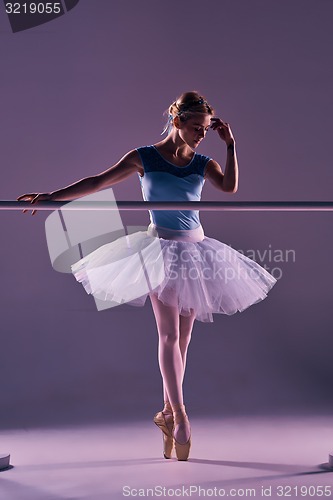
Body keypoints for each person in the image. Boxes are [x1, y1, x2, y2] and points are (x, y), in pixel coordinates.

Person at [17, 91, 277, 461]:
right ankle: (182, 418)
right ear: (177, 122)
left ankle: (170, 414)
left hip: (195, 251)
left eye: (206, 130)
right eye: (196, 128)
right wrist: (51, 196)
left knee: (182, 340)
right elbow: (97, 182)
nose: (202, 136)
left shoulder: (203, 162)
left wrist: (231, 146)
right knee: (169, 335)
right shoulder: (144, 157)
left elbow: (230, 187)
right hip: (160, 250)